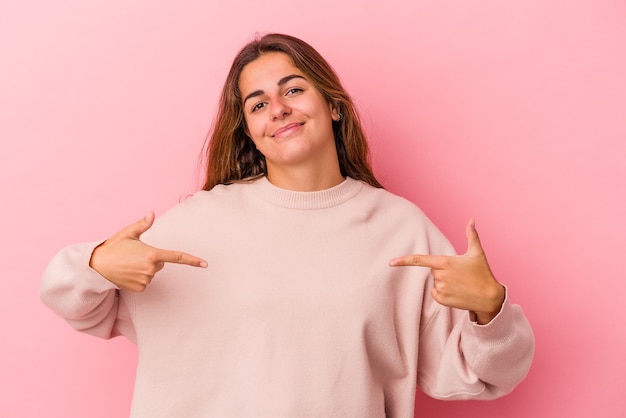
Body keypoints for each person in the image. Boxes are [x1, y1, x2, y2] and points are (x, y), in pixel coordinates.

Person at [40, 33, 534, 417]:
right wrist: (96, 262)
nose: (277, 109)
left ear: (334, 106)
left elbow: (479, 374)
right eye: (257, 104)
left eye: (293, 89)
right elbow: (74, 304)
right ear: (252, 133)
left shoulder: (400, 229)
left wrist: (490, 310)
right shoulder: (200, 222)